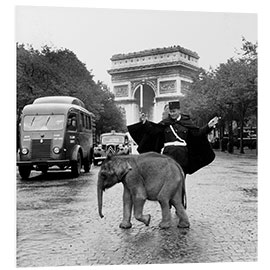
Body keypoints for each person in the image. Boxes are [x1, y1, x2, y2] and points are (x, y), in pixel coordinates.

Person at [128, 100, 219, 175]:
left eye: (174, 111)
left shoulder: (187, 122)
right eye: (171, 112)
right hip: (168, 154)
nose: (172, 114)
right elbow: (153, 131)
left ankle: (180, 196)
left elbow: (198, 133)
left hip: (182, 155)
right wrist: (145, 122)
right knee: (167, 176)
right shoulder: (165, 123)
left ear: (179, 110)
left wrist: (209, 126)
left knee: (181, 177)